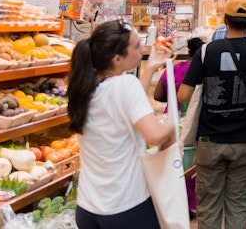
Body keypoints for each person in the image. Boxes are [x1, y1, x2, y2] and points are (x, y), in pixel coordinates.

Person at [68, 20, 176, 229]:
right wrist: (171, 127)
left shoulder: (84, 87)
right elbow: (153, 135)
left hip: (88, 208)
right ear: (117, 59)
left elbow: (127, 104)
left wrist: (151, 66)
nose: (143, 48)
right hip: (126, 208)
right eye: (137, 46)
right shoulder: (125, 85)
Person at [178, 0, 246, 229]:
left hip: (210, 140)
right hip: (244, 139)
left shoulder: (206, 51)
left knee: (208, 207)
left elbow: (183, 96)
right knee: (238, 206)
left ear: (224, 20)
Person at [153, 36, 204, 218]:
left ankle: (170, 202)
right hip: (194, 120)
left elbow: (158, 95)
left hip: (171, 119)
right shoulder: (203, 71)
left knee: (172, 163)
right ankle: (189, 205)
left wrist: (172, 93)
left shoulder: (174, 69)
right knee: (191, 162)